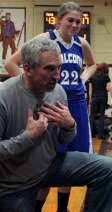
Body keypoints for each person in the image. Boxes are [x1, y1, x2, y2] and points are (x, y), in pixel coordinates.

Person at [0, 38, 112, 212]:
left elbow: (64, 138)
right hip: (14, 183)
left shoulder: (58, 91)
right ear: (27, 68)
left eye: (58, 67)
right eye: (49, 69)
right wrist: (27, 137)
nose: (57, 75)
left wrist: (69, 126)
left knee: (107, 168)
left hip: (48, 166)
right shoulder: (4, 96)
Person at [4, 2, 97, 211]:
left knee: (71, 159)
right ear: (58, 20)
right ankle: (37, 206)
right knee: (48, 157)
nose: (74, 25)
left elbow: (92, 64)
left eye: (77, 22)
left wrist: (83, 78)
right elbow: (11, 63)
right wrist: (29, 88)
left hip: (77, 103)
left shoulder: (82, 43)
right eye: (70, 20)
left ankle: (62, 208)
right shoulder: (44, 39)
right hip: (50, 102)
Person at [89, 62, 111, 140]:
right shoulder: (106, 76)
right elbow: (108, 88)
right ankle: (100, 135)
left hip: (94, 97)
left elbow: (90, 90)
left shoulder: (92, 76)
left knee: (92, 116)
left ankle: (91, 134)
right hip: (103, 97)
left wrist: (90, 99)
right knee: (102, 116)